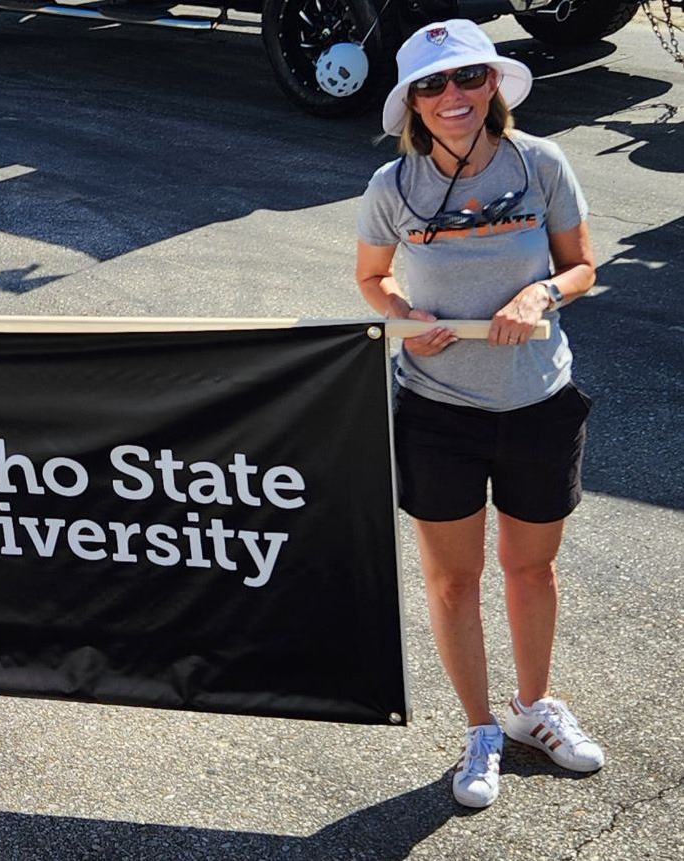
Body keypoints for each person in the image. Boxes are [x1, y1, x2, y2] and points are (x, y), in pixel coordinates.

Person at [354, 20, 604, 808]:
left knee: (530, 566)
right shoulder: (391, 189)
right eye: (431, 85)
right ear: (411, 104)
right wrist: (404, 314)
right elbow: (370, 279)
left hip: (538, 401)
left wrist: (541, 291)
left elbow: (581, 266)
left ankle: (535, 710)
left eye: (467, 78)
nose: (452, 97)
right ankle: (480, 729)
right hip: (436, 410)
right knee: (453, 581)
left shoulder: (540, 163)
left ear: (493, 83)